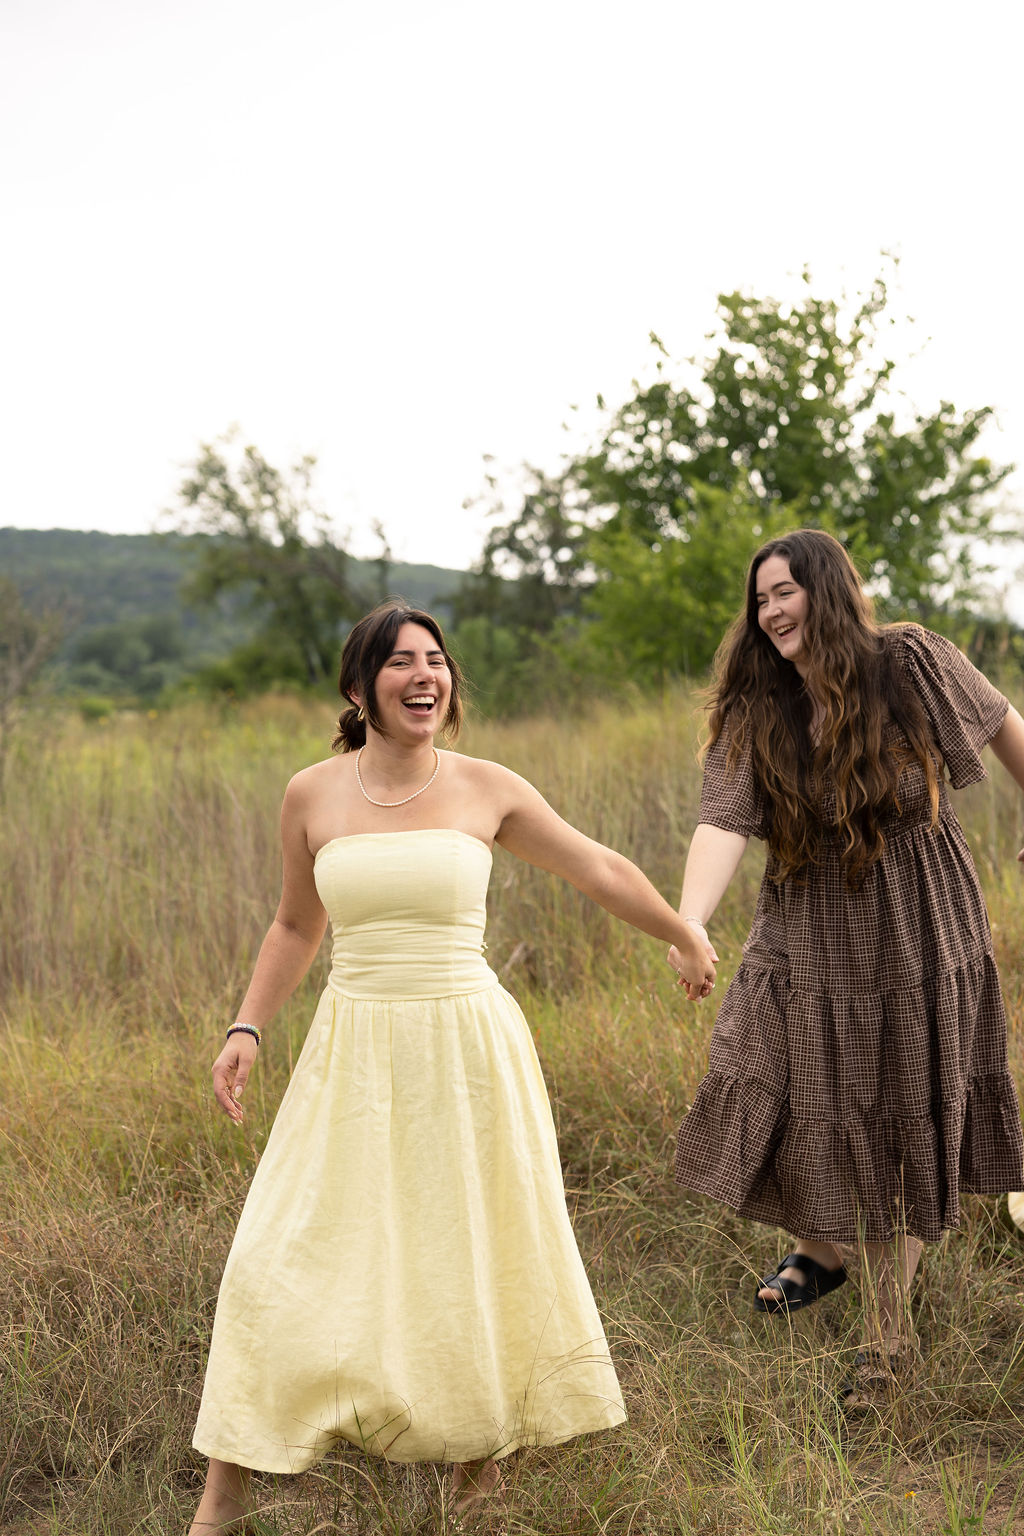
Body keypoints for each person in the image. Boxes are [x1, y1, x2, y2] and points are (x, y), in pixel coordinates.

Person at [189, 600, 717, 1534]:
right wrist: (247, 1028)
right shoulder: (311, 793)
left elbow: (597, 868)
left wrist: (681, 931)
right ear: (360, 687)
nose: (424, 675)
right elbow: (295, 924)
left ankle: (479, 1480)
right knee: (278, 1253)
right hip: (351, 1045)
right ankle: (222, 1497)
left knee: (468, 1252)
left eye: (436, 660)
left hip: (468, 1047)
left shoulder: (486, 788)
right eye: (400, 662)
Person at [669, 530, 1024, 1404]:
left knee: (897, 1116)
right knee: (768, 1073)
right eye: (760, 600)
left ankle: (887, 1345)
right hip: (807, 921)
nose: (772, 611)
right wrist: (689, 924)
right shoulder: (760, 709)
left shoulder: (910, 662)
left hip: (917, 921)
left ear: (829, 591)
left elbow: (1008, 729)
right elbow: (722, 821)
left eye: (785, 591)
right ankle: (823, 1246)